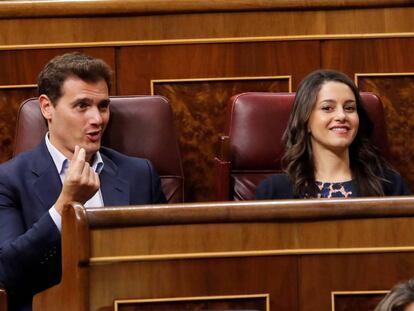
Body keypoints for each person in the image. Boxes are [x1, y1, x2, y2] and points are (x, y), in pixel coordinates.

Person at [0, 52, 166, 311]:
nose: (97, 120)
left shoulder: (139, 173)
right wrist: (66, 204)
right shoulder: (9, 180)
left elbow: (166, 261)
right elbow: (7, 273)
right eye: (82, 106)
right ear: (47, 107)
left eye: (102, 106)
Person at [256, 69, 409, 199]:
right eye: (327, 108)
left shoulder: (389, 184)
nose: (342, 116)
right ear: (306, 120)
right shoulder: (273, 191)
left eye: (349, 108)